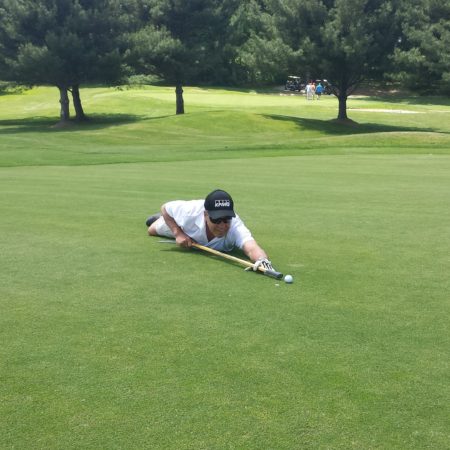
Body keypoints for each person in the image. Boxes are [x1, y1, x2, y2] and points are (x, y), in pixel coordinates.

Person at [146, 189, 275, 272]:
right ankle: (161, 219)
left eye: (226, 219)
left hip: (190, 230)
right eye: (217, 219)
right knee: (151, 229)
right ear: (205, 214)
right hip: (184, 227)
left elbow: (251, 247)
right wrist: (178, 233)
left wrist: (263, 261)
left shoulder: (236, 225)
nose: (222, 225)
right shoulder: (190, 212)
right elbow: (165, 207)